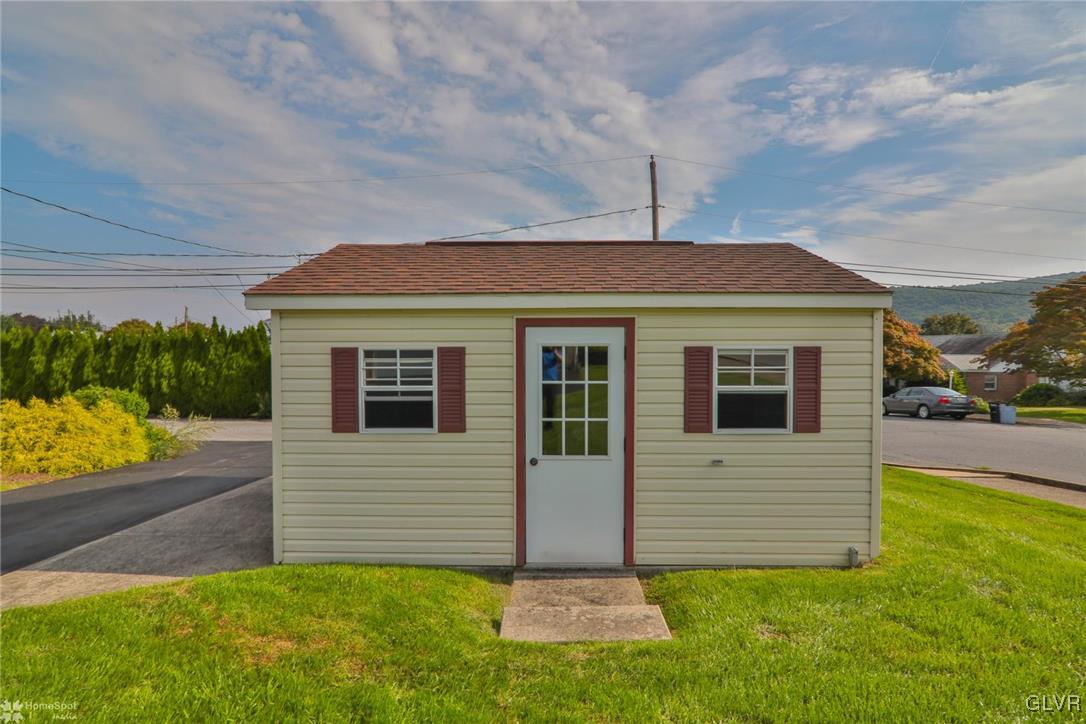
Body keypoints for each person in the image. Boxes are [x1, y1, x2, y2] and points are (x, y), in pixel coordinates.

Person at [542, 346, 562, 423]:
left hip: (552, 382)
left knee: (550, 404)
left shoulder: (555, 353)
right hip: (542, 381)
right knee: (537, 403)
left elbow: (561, 360)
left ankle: (549, 424)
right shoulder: (541, 353)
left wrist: (555, 351)